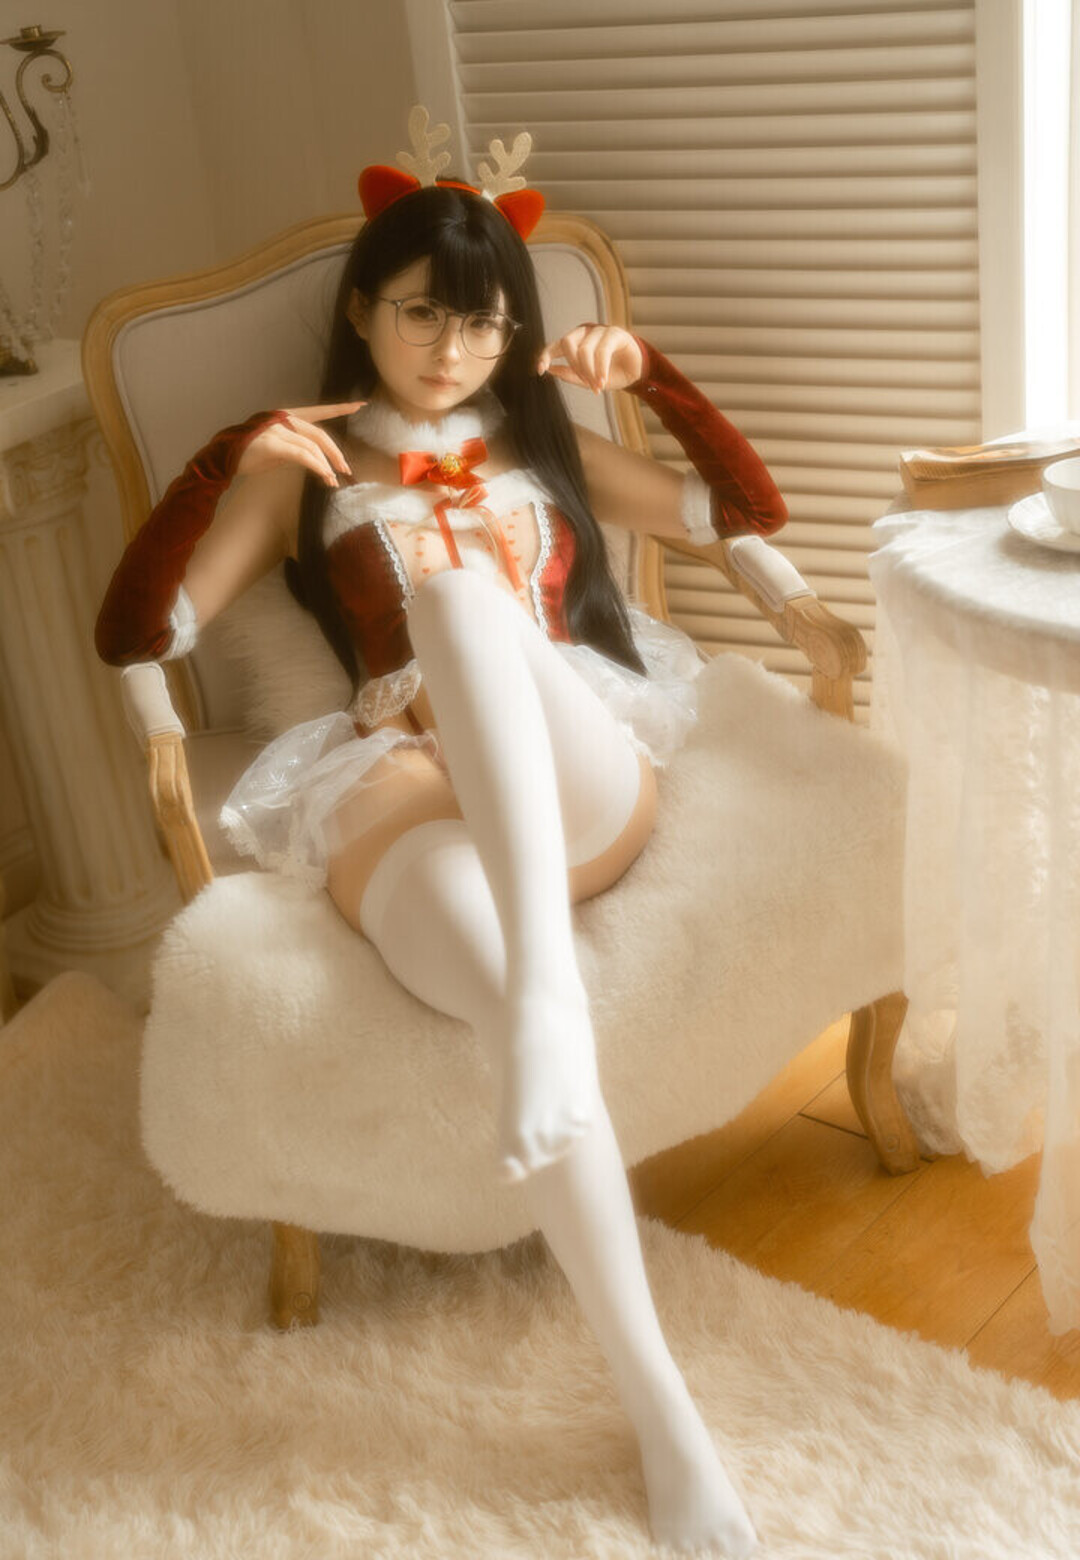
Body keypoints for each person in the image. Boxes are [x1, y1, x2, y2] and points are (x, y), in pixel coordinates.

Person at [95, 113, 787, 1557]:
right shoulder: (303, 463)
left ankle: (544, 998)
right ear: (363, 309)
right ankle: (663, 1412)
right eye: (422, 315)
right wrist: (223, 460)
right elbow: (138, 633)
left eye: (482, 326)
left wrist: (653, 378)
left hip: (573, 776)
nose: (451, 351)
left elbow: (741, 511)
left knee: (465, 600)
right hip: (402, 788)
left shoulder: (543, 441)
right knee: (487, 963)